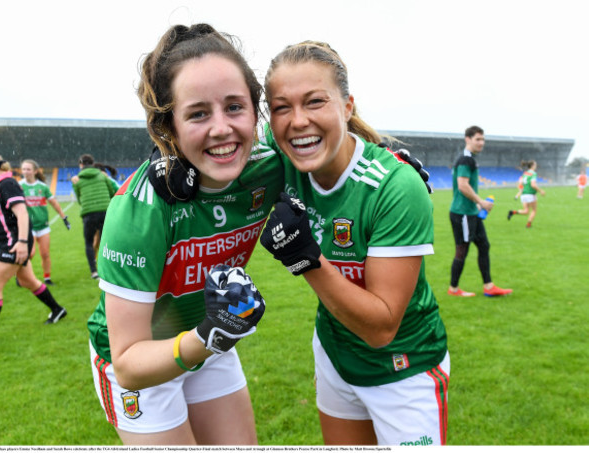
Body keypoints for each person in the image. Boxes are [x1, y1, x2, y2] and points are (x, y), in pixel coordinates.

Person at [86, 23, 282, 445]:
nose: (221, 129)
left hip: (208, 336)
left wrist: (389, 165)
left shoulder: (269, 168)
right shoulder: (141, 210)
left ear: (255, 110)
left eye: (235, 107)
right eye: (197, 113)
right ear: (168, 126)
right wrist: (209, 335)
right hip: (143, 358)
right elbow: (127, 362)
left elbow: (322, 140)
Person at [259, 41, 449, 446]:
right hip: (334, 351)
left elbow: (381, 327)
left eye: (315, 102)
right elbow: (220, 137)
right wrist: (166, 157)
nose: (297, 121)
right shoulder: (276, 158)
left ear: (347, 107)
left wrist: (303, 258)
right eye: (281, 107)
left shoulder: (394, 188)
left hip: (404, 365)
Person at [0, 151, 67, 349]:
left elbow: (22, 214)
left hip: (14, 244)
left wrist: (20, 242)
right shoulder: (1, 185)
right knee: (28, 281)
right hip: (8, 241)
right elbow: (4, 216)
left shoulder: (7, 184)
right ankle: (57, 310)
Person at [447, 125, 512, 298]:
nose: (481, 143)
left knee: (484, 245)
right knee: (462, 249)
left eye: (483, 139)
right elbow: (462, 185)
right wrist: (481, 202)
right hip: (462, 214)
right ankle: (453, 289)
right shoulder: (465, 159)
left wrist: (475, 205)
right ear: (467, 139)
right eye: (478, 139)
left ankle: (489, 286)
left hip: (470, 211)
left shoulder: (470, 159)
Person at [19, 159, 71, 285]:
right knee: (30, 254)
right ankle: (21, 276)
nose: (25, 172)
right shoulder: (19, 186)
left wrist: (63, 217)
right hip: (28, 226)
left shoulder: (42, 187)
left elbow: (54, 203)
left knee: (45, 254)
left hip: (43, 226)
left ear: (35, 171)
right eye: (24, 169)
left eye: (28, 169)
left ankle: (47, 278)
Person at [72, 154, 117, 279]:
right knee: (106, 241)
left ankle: (94, 272)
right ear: (92, 164)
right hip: (104, 211)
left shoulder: (77, 180)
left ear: (81, 165)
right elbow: (112, 192)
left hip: (89, 214)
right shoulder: (102, 176)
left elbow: (80, 199)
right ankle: (108, 269)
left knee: (89, 242)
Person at [508, 160, 545, 228]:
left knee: (526, 211)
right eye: (535, 165)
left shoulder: (525, 173)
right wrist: (540, 191)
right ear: (533, 166)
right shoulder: (533, 173)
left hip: (524, 194)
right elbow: (533, 185)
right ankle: (528, 225)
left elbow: (520, 183)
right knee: (534, 210)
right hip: (530, 194)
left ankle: (512, 212)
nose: (536, 166)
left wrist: (521, 189)